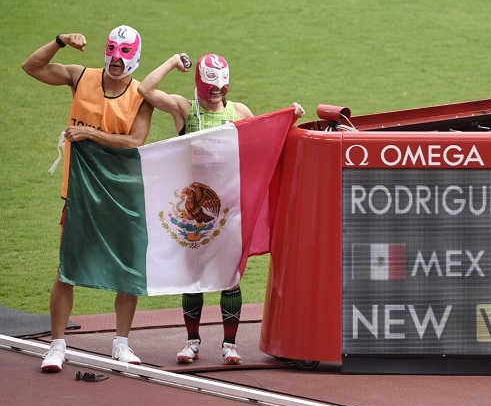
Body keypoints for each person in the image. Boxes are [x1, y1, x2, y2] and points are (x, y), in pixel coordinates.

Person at [138, 53, 304, 365]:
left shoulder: (239, 111)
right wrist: (173, 62)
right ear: (199, 83)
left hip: (229, 209)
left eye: (221, 87)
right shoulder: (186, 109)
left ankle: (230, 345)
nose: (217, 92)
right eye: (211, 87)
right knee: (194, 276)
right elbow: (145, 90)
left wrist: (289, 116)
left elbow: (265, 139)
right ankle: (192, 342)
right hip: (193, 210)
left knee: (230, 277)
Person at [22, 26, 155, 372]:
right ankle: (57, 344)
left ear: (136, 57)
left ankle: (121, 343)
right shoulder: (81, 77)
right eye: (112, 49)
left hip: (123, 194)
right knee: (67, 267)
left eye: (124, 52)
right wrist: (60, 41)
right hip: (79, 192)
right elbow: (31, 67)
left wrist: (90, 134)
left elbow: (136, 141)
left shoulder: (143, 95)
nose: (116, 58)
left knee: (128, 269)